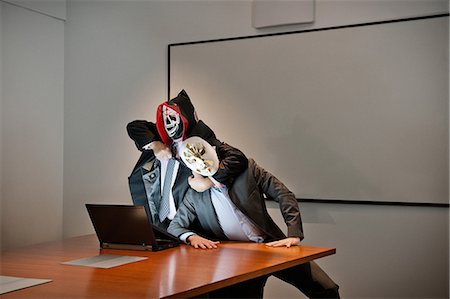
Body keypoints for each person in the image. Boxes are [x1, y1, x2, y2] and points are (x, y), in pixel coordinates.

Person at [168, 137, 340, 298]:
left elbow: (284, 195)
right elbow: (175, 226)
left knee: (327, 289)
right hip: (238, 258)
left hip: (273, 245)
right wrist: (191, 236)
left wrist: (294, 234)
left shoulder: (248, 170)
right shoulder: (194, 195)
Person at [127, 89, 248, 229]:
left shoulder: (203, 143)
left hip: (190, 226)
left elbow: (238, 158)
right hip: (158, 224)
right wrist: (155, 145)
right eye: (165, 117)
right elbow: (134, 127)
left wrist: (210, 181)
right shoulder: (161, 138)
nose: (169, 122)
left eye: (173, 116)